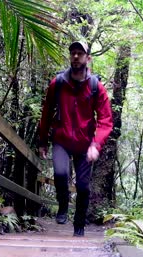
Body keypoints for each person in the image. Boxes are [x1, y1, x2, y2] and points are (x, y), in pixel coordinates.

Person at [38, 41, 113, 237]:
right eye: (73, 53)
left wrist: (96, 144)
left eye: (80, 53)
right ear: (70, 56)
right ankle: (63, 205)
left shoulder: (96, 87)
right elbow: (46, 113)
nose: (76, 56)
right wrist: (42, 141)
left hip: (84, 144)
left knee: (83, 187)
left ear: (88, 58)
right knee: (61, 174)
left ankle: (78, 227)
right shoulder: (58, 83)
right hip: (62, 139)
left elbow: (105, 120)